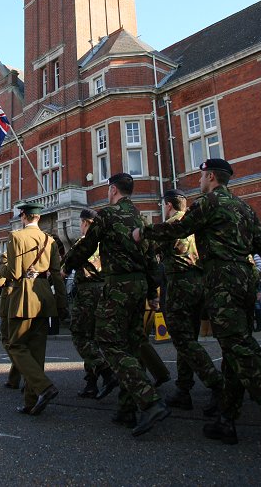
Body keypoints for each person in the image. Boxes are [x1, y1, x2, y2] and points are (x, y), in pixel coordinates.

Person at [133, 159, 261, 449]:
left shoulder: (208, 203)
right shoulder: (244, 207)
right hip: (246, 280)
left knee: (242, 350)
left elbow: (178, 229)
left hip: (223, 281)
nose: (198, 181)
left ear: (210, 177)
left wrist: (142, 233)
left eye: (201, 176)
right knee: (234, 350)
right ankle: (227, 419)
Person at [63, 173, 170, 436]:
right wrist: (153, 293)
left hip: (119, 286)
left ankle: (149, 399)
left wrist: (66, 265)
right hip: (140, 287)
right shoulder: (138, 217)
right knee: (132, 345)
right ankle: (126, 408)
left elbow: (86, 246)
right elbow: (151, 258)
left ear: (112, 190)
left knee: (109, 342)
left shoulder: (107, 216)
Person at [155, 189, 223, 413]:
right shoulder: (196, 224)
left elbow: (150, 249)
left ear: (168, 205)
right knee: (189, 338)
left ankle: (217, 384)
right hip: (200, 285)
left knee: (183, 341)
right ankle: (183, 390)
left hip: (179, 286)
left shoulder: (173, 225)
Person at [0, 202, 67, 416]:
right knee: (37, 351)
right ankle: (31, 401)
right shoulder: (50, 240)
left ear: (24, 217)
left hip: (23, 296)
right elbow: (57, 274)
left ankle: (44, 387)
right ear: (38, 218)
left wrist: (0, 269)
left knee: (16, 345)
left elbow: (13, 271)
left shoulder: (16, 237)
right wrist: (62, 304)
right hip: (45, 297)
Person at [63, 208, 117, 399]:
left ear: (85, 223)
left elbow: (66, 265)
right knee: (96, 337)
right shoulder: (107, 243)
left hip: (87, 292)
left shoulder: (85, 242)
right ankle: (91, 383)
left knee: (81, 335)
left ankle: (106, 371)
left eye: (81, 223)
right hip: (106, 290)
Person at [0, 255, 22, 389]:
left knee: (8, 340)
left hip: (9, 299)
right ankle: (14, 378)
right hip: (24, 297)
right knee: (20, 341)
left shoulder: (7, 256)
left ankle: (28, 373)